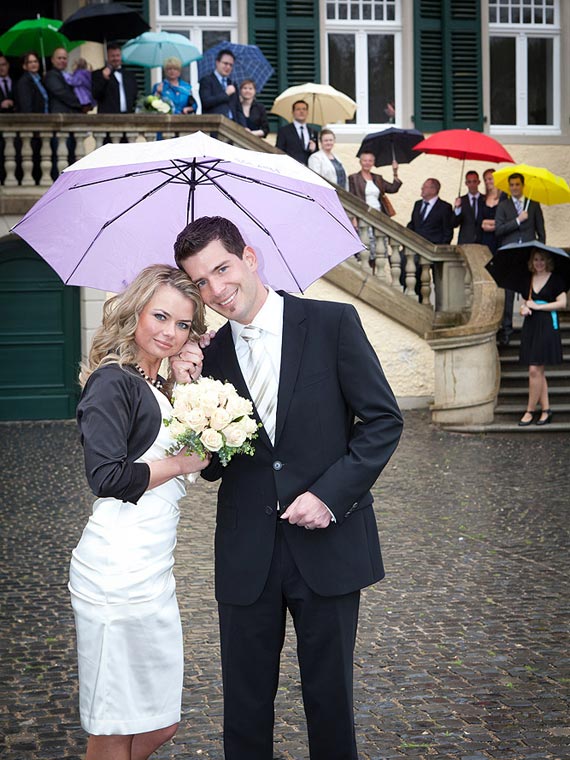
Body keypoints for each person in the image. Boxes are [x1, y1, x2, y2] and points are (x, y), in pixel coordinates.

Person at [172, 216, 403, 760]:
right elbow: (211, 468)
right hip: (246, 551)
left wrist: (329, 496)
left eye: (222, 269)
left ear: (249, 257)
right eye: (200, 283)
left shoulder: (332, 323)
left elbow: (383, 421)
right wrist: (188, 397)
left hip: (330, 546)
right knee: (244, 706)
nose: (217, 290)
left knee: (330, 700)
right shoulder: (211, 355)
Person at [69, 265, 209, 760]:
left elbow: (179, 441)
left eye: (184, 324)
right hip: (116, 571)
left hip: (151, 568)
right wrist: (177, 463)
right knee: (115, 724)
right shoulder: (112, 381)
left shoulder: (155, 383)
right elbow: (106, 477)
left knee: (157, 724)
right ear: (135, 313)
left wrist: (186, 380)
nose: (170, 332)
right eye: (161, 316)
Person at [495, 172, 546, 345]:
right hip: (510, 254)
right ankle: (507, 330)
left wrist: (540, 255)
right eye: (512, 185)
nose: (514, 187)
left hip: (528, 255)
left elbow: (541, 231)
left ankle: (533, 330)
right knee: (508, 294)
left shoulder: (533, 205)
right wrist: (517, 220)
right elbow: (498, 230)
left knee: (530, 293)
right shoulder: (503, 206)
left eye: (517, 184)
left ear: (522, 186)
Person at [517, 249, 567, 426]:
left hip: (547, 325)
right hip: (531, 326)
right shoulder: (528, 280)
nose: (539, 263)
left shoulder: (555, 279)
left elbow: (562, 303)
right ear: (532, 261)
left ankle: (530, 410)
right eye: (536, 259)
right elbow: (526, 303)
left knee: (534, 369)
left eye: (542, 260)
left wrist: (538, 308)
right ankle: (546, 410)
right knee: (539, 371)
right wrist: (524, 309)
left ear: (547, 262)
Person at [348, 151, 401, 273]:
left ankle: (374, 273)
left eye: (370, 160)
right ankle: (367, 273)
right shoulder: (354, 178)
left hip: (379, 217)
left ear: (373, 163)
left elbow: (393, 188)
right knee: (367, 248)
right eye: (365, 160)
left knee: (379, 247)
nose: (367, 163)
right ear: (360, 162)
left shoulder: (378, 178)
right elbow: (351, 197)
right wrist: (354, 218)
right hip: (364, 216)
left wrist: (395, 171)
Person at [406, 178, 454, 299]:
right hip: (417, 248)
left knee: (439, 282)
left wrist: (440, 249)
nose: (422, 189)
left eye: (425, 187)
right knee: (414, 277)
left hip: (434, 251)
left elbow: (448, 231)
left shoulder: (444, 207)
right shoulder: (418, 204)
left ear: (434, 190)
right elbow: (413, 224)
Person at [199, 49, 246, 126]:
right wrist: (225, 94)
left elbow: (238, 109)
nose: (228, 67)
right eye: (225, 63)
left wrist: (244, 127)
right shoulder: (207, 80)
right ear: (217, 63)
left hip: (232, 126)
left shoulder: (232, 83)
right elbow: (206, 102)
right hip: (214, 125)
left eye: (231, 65)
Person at [92, 42, 138, 114]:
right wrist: (103, 78)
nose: (116, 58)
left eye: (118, 55)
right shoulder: (98, 74)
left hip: (128, 116)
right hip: (107, 118)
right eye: (112, 56)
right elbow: (96, 95)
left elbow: (135, 96)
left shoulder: (130, 75)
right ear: (107, 57)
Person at [276, 99, 318, 165]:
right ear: (293, 112)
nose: (301, 111)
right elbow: (279, 151)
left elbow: (317, 154)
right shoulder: (284, 131)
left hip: (309, 168)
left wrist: (314, 149)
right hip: (290, 167)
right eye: (298, 109)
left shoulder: (313, 132)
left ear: (307, 112)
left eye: (304, 109)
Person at [44, 48, 82, 113]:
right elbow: (62, 93)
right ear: (52, 60)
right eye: (59, 58)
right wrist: (81, 103)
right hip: (60, 115)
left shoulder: (68, 75)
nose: (62, 60)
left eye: (64, 58)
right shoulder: (51, 75)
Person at [453, 170, 485, 244]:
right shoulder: (461, 201)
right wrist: (457, 208)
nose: (472, 185)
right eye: (469, 182)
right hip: (465, 241)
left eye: (474, 181)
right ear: (466, 183)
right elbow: (454, 224)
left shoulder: (485, 199)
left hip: (482, 240)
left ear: (479, 182)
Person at [480, 168, 502, 255]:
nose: (487, 182)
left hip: (500, 238)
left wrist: (488, 223)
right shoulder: (482, 199)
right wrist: (496, 224)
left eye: (490, 179)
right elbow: (481, 222)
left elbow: (505, 221)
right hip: (486, 239)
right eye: (485, 180)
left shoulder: (504, 199)